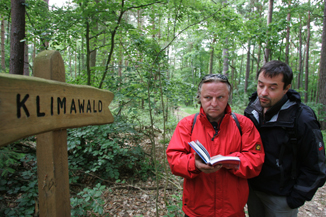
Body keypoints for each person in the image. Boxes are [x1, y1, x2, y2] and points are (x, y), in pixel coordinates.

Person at [166, 74, 265, 217]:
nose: (214, 103)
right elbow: (174, 159)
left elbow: (256, 161)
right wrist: (194, 164)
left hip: (232, 211)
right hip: (196, 211)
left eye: (220, 97)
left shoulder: (243, 125)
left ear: (228, 97)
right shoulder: (187, 125)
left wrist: (229, 161)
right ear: (199, 97)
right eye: (208, 98)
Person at [244, 60, 326, 217]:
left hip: (281, 199)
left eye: (272, 88)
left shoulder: (302, 118)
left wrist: (296, 198)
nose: (263, 92)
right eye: (261, 85)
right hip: (253, 191)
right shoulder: (252, 110)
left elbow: (317, 165)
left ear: (286, 88)